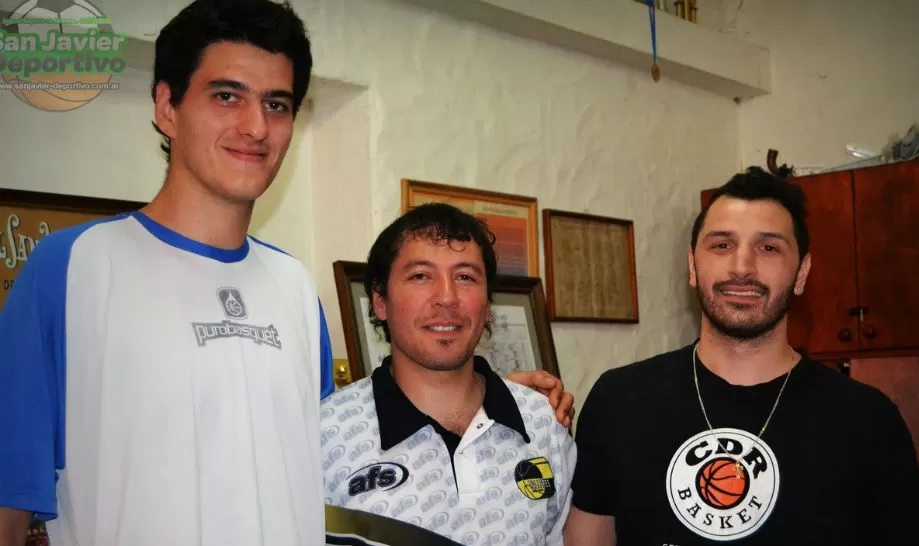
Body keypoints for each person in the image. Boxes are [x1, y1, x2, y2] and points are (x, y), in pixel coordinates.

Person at [0, 1, 573, 545]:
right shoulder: (71, 268)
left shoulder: (293, 288)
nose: (256, 127)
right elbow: (10, 498)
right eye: (227, 96)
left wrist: (478, 395)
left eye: (277, 104)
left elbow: (317, 441)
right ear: (167, 106)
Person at [563, 167, 919, 546]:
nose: (742, 267)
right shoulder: (618, 400)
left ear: (801, 273)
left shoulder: (867, 419)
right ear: (693, 266)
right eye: (722, 245)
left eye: (769, 247)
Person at [319, 203, 576, 546]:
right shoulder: (324, 435)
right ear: (380, 301)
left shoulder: (544, 423)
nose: (447, 297)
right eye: (420, 276)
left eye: (465, 277)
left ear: (487, 306)